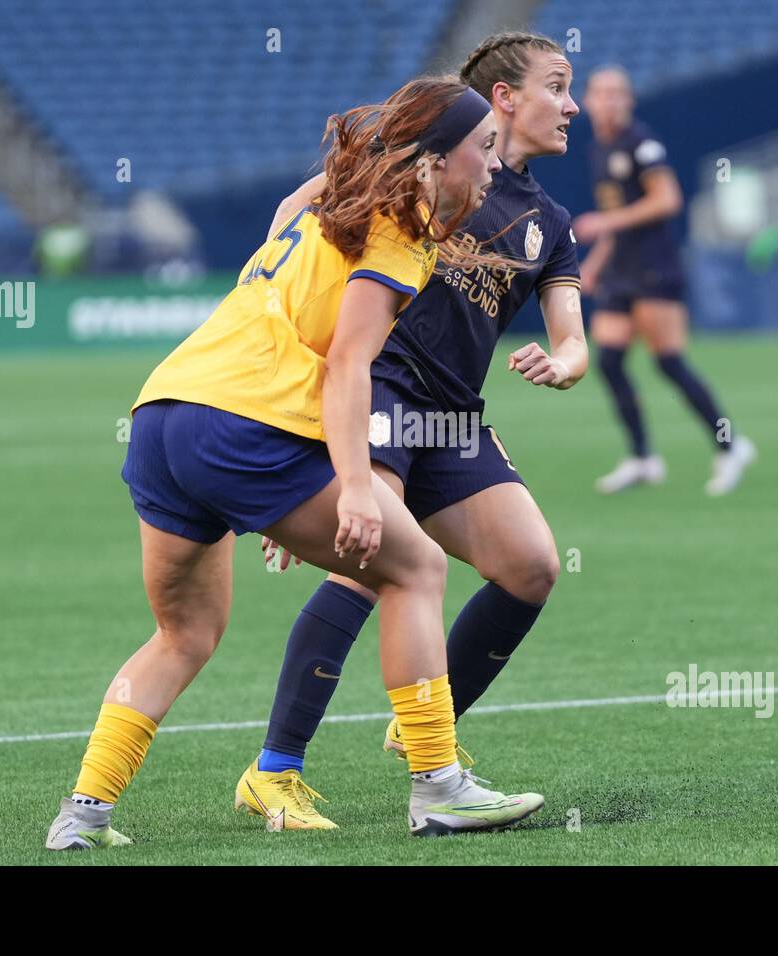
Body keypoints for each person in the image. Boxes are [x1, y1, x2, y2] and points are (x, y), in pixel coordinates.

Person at [45, 75, 545, 846]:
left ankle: (82, 815)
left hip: (162, 415)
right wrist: (349, 486)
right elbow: (349, 368)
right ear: (433, 163)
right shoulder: (400, 234)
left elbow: (288, 216)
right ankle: (440, 788)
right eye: (482, 149)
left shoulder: (325, 207)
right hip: (244, 427)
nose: (492, 166)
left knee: (185, 632)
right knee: (415, 569)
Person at [233, 31, 588, 830]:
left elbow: (572, 332)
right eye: (558, 86)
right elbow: (299, 211)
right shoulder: (424, 159)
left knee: (531, 566)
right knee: (368, 565)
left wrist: (569, 362)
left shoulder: (550, 221)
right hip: (382, 390)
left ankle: (427, 722)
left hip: (454, 415)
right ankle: (275, 772)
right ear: (504, 98)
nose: (572, 106)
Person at [574, 65, 756, 496]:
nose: (611, 100)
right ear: (588, 100)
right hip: (621, 269)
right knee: (609, 361)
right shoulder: (599, 148)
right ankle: (642, 458)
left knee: (668, 361)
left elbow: (668, 199)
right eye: (603, 93)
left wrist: (604, 223)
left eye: (619, 93)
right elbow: (619, 220)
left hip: (654, 268)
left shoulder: (642, 144)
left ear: (630, 100)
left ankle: (731, 445)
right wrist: (596, 264)